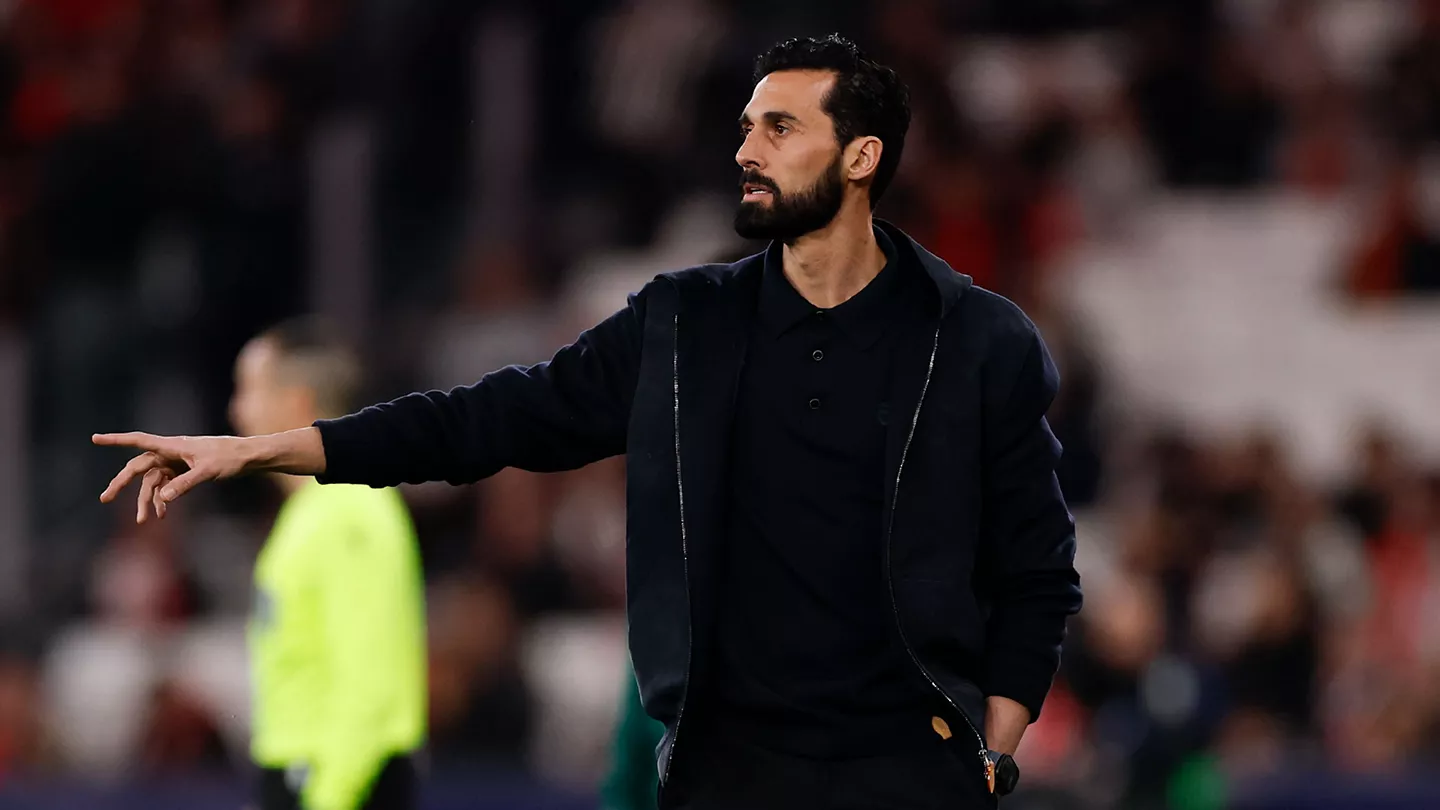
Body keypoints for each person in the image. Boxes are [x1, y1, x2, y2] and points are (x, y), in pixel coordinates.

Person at [96, 35, 1081, 810]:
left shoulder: (977, 341)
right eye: (746, 126)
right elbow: (488, 422)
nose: (745, 149)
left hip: (910, 778)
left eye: (780, 128)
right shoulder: (683, 326)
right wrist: (277, 448)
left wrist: (990, 750)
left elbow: (1038, 571)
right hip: (726, 781)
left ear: (862, 156)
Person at [228, 319, 428, 810]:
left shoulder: (348, 509)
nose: (236, 411)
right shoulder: (315, 509)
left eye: (248, 391)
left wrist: (329, 798)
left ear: (296, 403)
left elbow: (370, 684)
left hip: (334, 782)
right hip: (309, 774)